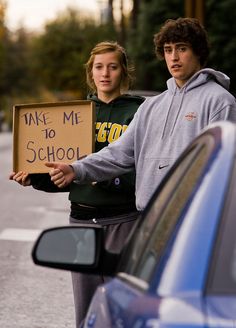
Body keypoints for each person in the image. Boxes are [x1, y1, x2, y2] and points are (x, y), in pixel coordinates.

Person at [9, 41, 144, 327]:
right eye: (99, 67)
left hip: (125, 220)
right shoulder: (75, 114)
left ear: (124, 72)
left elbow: (141, 169)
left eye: (112, 66)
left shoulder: (139, 113)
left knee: (126, 307)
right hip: (82, 220)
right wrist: (35, 177)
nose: (105, 73)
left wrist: (96, 176)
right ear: (90, 73)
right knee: (86, 312)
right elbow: (63, 175)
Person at [43, 17, 236, 213]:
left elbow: (222, 170)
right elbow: (117, 154)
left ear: (199, 52)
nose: (174, 57)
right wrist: (76, 169)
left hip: (191, 218)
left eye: (182, 48)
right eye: (168, 50)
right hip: (150, 220)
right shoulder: (151, 106)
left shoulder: (220, 101)